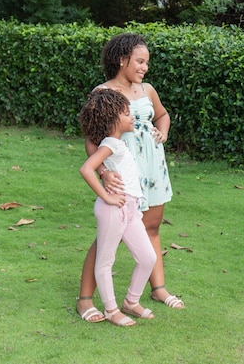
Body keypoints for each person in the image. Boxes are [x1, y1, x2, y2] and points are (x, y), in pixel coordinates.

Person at [76, 33, 183, 324]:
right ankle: (85, 299)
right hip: (121, 174)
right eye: (140, 61)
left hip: (152, 170)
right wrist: (103, 171)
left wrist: (164, 131)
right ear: (122, 59)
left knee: (152, 227)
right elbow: (91, 140)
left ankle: (158, 289)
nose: (145, 67)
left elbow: (162, 115)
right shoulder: (103, 92)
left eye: (146, 62)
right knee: (107, 237)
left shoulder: (147, 90)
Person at [79, 88, 157, 327]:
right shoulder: (111, 143)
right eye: (126, 113)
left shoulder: (117, 143)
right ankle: (111, 310)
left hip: (130, 209)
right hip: (114, 209)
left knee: (148, 257)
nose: (131, 116)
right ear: (114, 119)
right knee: (105, 261)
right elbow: (86, 169)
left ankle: (131, 302)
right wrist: (107, 197)